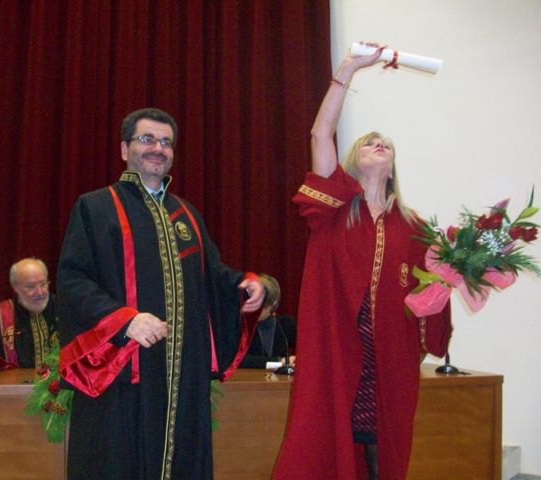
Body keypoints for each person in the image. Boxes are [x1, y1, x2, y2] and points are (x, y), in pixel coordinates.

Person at [272, 45, 453, 480]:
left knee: (381, 450)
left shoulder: (416, 227)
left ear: (392, 168)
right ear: (352, 161)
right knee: (329, 440)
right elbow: (320, 135)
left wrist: (454, 274)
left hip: (390, 356)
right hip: (338, 349)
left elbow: (430, 296)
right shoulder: (334, 207)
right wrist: (348, 71)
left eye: (385, 145)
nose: (379, 145)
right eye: (370, 142)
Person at [56, 107, 266, 480]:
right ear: (125, 149)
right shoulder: (96, 207)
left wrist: (247, 284)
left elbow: (212, 276)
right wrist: (126, 320)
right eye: (147, 139)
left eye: (166, 142)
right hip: (124, 367)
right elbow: (73, 280)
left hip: (183, 371)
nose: (158, 148)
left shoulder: (187, 214)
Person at [239, 273, 296, 369]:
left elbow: (307, 351)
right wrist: (279, 362)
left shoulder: (286, 324)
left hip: (281, 378)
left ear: (273, 303)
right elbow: (239, 360)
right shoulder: (241, 325)